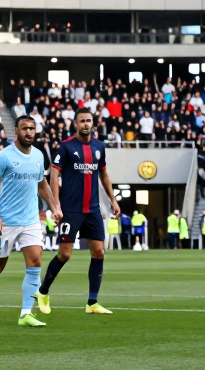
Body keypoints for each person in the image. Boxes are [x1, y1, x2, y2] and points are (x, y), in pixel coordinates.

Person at [0, 116, 61, 327]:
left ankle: (26, 313)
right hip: (6, 221)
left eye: (32, 128)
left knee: (35, 262)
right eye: (25, 128)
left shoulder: (38, 155)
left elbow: (42, 184)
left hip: (31, 219)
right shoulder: (4, 157)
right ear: (16, 130)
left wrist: (54, 207)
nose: (29, 132)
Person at [36, 107, 120, 315]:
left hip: (92, 209)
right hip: (71, 210)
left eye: (88, 120)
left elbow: (104, 175)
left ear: (93, 123)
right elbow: (54, 176)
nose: (85, 124)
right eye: (82, 121)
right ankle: (43, 291)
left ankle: (92, 303)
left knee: (99, 252)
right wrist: (56, 205)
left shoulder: (99, 147)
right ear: (75, 124)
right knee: (65, 254)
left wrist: (113, 200)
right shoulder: (65, 147)